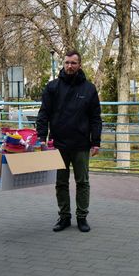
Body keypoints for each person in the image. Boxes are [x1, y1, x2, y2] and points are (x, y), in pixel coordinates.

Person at [36, 50, 102, 233]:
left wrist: (96, 141)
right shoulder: (52, 87)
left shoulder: (89, 89)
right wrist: (41, 137)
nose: (70, 66)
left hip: (81, 144)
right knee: (61, 183)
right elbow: (43, 114)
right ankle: (64, 216)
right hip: (58, 145)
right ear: (62, 64)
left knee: (83, 182)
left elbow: (96, 117)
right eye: (67, 63)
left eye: (73, 63)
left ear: (79, 65)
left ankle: (82, 217)